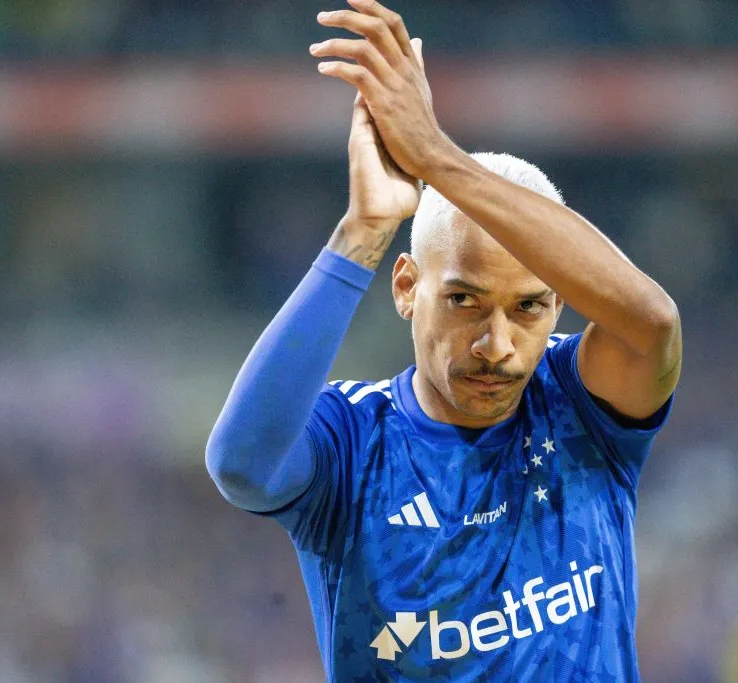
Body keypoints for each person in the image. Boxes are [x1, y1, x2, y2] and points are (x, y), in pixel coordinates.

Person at [206, 0, 682, 679]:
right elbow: (241, 464)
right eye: (464, 300)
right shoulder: (354, 443)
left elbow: (654, 321)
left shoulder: (580, 405)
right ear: (406, 287)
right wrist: (364, 228)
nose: (497, 344)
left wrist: (435, 156)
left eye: (529, 307)